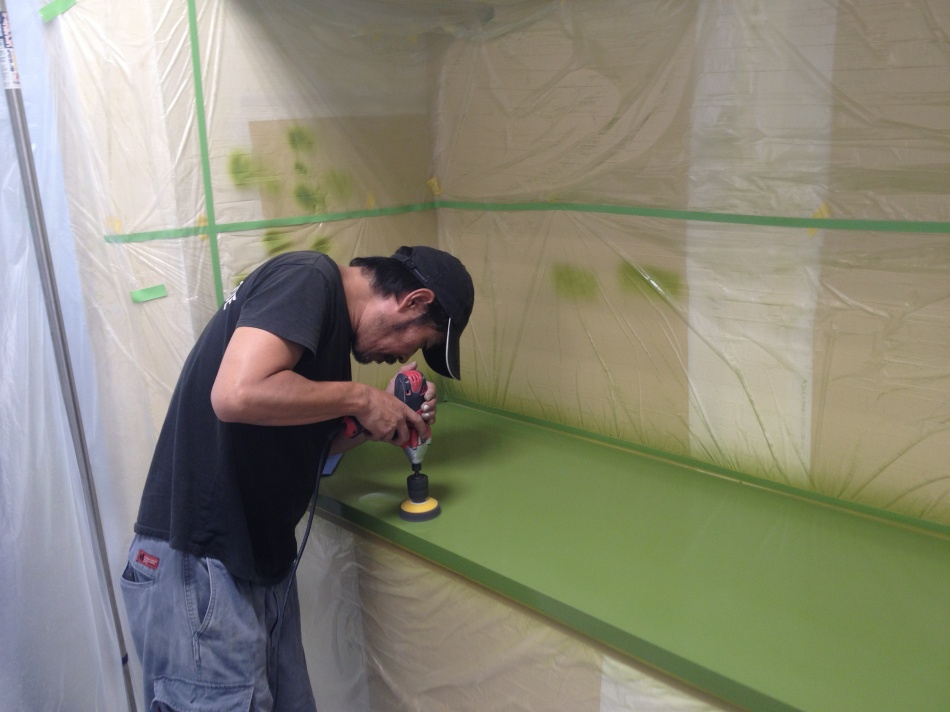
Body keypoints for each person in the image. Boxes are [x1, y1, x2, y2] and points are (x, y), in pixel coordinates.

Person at [120, 245, 475, 711]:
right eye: (417, 342)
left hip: (254, 561)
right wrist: (362, 399)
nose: (404, 357)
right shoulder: (308, 277)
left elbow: (306, 446)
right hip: (201, 562)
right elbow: (235, 394)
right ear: (414, 301)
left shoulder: (324, 338)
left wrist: (374, 422)